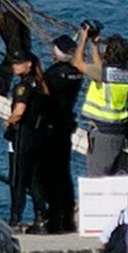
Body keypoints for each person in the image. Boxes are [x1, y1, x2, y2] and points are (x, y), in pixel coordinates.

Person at [74, 24, 128, 175]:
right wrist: (94, 46)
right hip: (118, 131)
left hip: (102, 132)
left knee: (98, 176)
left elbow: (78, 63)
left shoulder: (103, 73)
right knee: (113, 174)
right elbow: (100, 67)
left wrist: (83, 39)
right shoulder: (126, 74)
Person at [42, 35, 83, 232]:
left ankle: (54, 218)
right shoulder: (76, 74)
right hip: (66, 125)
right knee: (64, 173)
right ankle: (67, 218)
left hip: (52, 127)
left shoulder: (51, 74)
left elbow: (44, 98)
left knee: (50, 175)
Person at [4, 50, 49, 231]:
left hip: (22, 136)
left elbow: (19, 111)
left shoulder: (23, 86)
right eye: (13, 62)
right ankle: (41, 217)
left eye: (18, 62)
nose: (14, 65)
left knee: (17, 179)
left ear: (28, 63)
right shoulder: (41, 84)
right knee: (34, 179)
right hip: (38, 137)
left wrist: (8, 121)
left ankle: (14, 220)